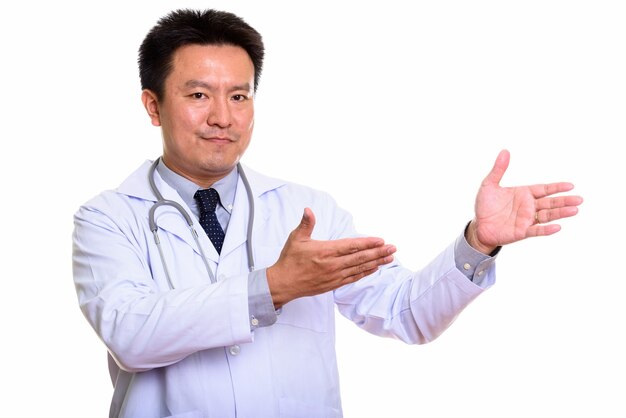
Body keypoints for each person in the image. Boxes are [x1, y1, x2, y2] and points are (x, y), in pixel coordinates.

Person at [72, 8, 583, 418]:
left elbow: (406, 314)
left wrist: (477, 242)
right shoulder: (108, 218)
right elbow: (130, 335)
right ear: (153, 105)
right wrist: (274, 286)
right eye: (198, 95)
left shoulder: (305, 209)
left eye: (239, 95)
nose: (222, 117)